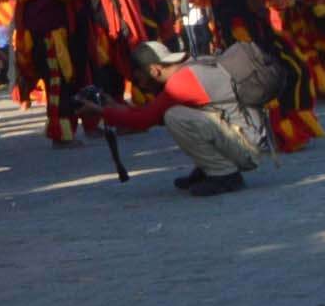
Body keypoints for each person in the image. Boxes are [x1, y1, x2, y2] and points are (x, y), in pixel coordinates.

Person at [86, 40, 281, 196]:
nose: (140, 85)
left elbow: (144, 119)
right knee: (178, 114)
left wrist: (102, 112)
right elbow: (149, 112)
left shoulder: (180, 83)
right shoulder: (191, 66)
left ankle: (224, 174)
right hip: (246, 137)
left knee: (175, 116)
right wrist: (112, 106)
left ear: (154, 70)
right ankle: (209, 169)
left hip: (246, 148)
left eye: (138, 78)